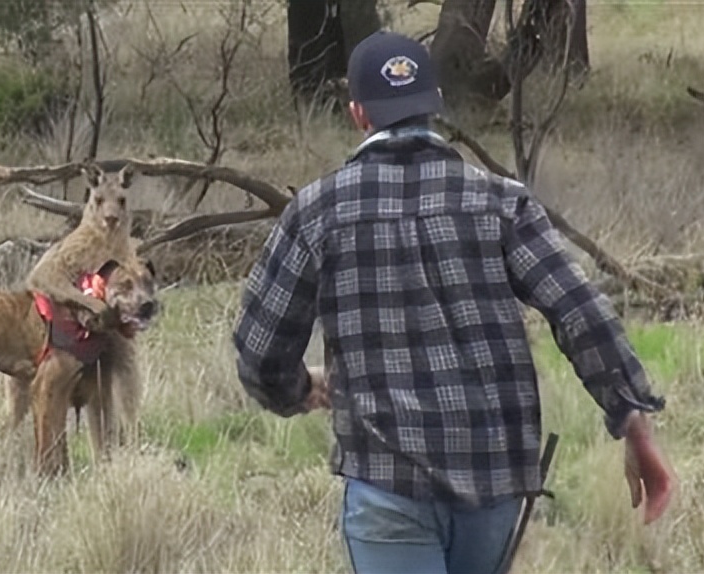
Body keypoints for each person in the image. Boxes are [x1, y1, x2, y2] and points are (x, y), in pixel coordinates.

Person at [231, 30, 675, 574]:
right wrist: (632, 419)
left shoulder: (317, 211)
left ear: (357, 114)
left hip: (386, 484)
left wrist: (297, 391)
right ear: (435, 107)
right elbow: (581, 313)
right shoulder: (501, 201)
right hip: (493, 487)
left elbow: (259, 352)